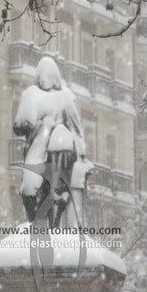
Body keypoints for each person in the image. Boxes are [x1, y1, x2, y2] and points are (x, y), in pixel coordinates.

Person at [13, 55, 92, 227]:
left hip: (58, 154)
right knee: (30, 192)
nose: (44, 79)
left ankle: (52, 228)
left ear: (55, 77)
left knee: (55, 196)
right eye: (41, 75)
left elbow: (76, 129)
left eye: (48, 75)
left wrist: (81, 154)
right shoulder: (31, 95)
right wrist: (30, 122)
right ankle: (37, 226)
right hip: (35, 153)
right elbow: (18, 127)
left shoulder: (64, 97)